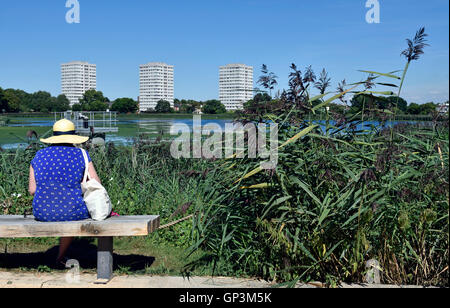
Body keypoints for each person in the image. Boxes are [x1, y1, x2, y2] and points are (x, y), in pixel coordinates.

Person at [28, 119, 101, 266]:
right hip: (72, 212)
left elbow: (32, 190)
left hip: (42, 212)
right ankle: (60, 257)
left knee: (63, 209)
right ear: (73, 137)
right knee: (70, 210)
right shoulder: (82, 154)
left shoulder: (39, 155)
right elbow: (96, 183)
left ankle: (58, 257)